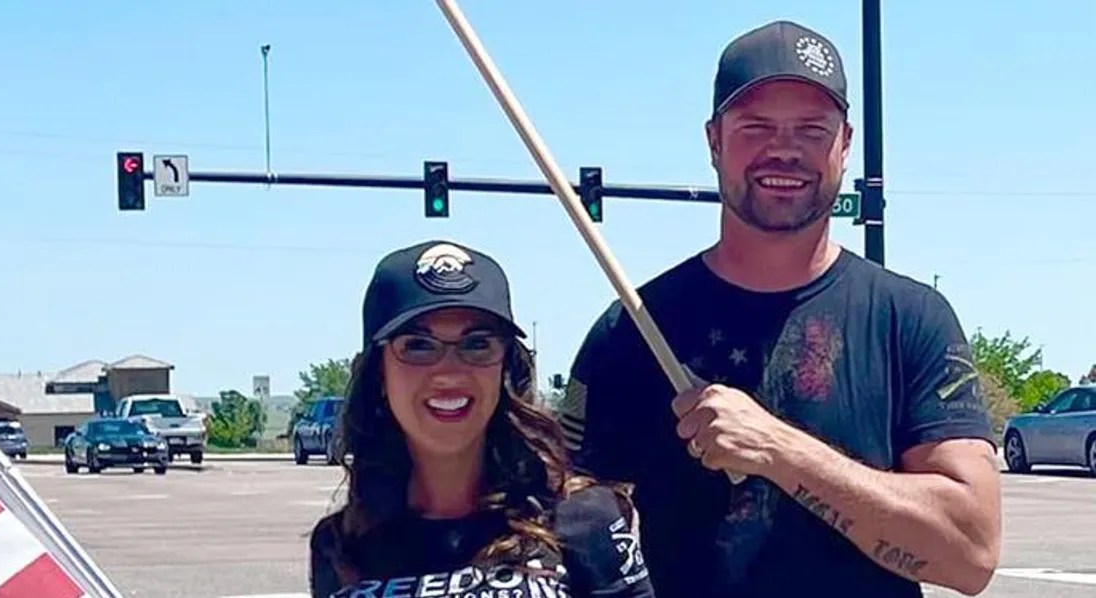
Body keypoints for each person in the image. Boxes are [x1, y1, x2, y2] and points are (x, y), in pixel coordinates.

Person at [555, 20, 1001, 598]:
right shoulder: (631, 329)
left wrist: (778, 449)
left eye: (812, 130)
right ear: (714, 141)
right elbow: (563, 523)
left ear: (845, 144)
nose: (784, 149)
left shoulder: (911, 320)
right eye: (756, 127)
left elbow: (970, 557)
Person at [307, 239, 655, 598]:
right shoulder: (340, 544)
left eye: (477, 344)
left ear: (505, 366)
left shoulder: (585, 518)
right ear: (379, 372)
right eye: (418, 345)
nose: (449, 372)